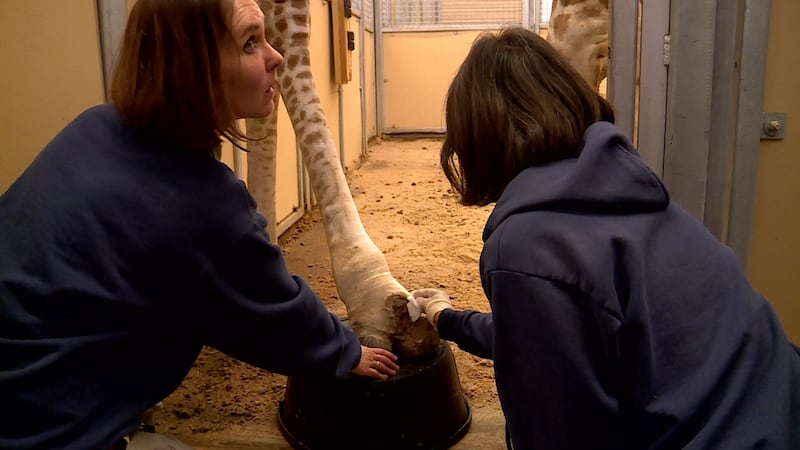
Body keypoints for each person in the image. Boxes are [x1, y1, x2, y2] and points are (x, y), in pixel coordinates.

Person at [0, 0, 399, 448]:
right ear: (194, 67)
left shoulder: (94, 125)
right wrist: (342, 350)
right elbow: (271, 311)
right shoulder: (204, 201)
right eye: (251, 43)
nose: (276, 57)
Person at [410, 27, 800, 449]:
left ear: (477, 136)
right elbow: (559, 337)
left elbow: (559, 431)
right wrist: (445, 317)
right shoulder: (631, 194)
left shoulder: (528, 244)